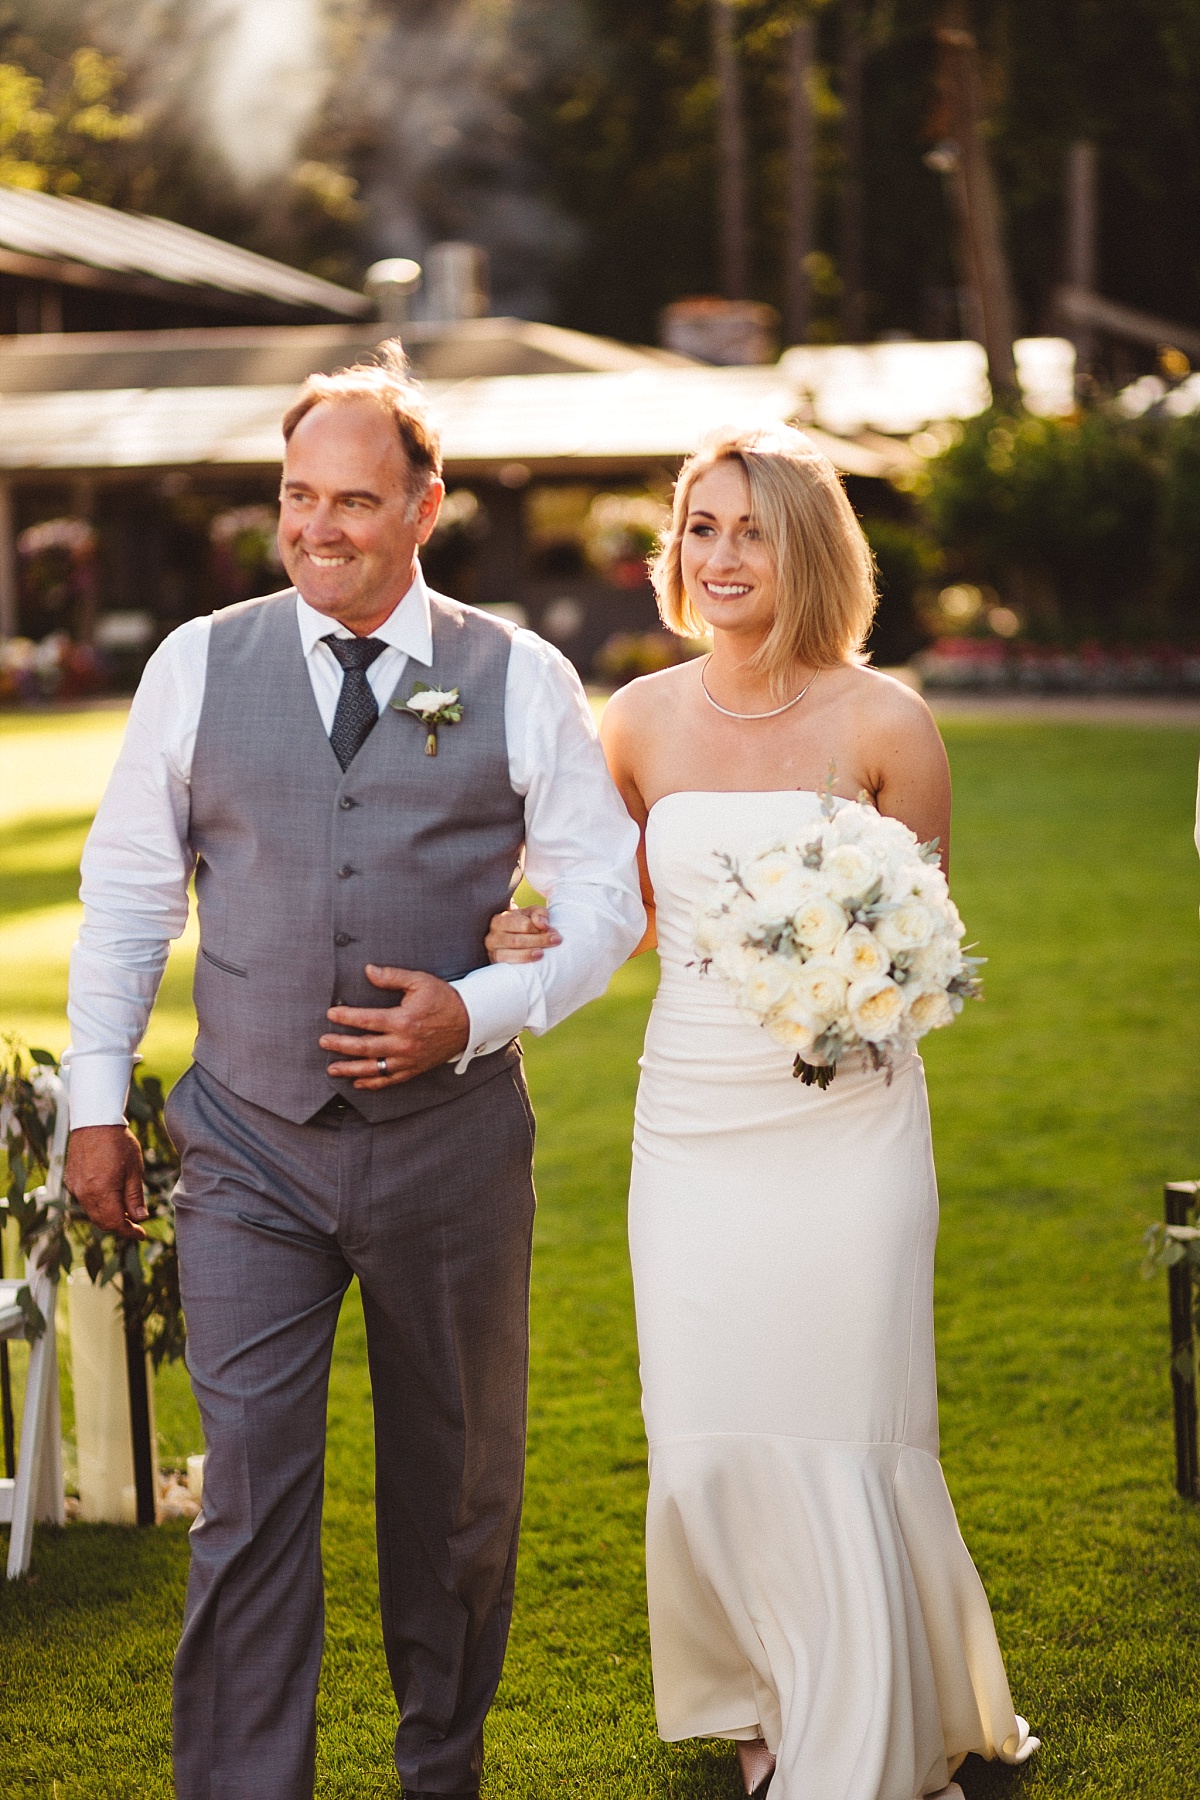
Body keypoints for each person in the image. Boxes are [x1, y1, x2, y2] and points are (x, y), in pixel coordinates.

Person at [62, 347, 644, 1800]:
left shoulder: (518, 676)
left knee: (454, 1501)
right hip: (248, 1144)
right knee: (246, 1500)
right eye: (296, 497)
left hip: (450, 1149)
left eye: (356, 502)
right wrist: (92, 1103)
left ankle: (436, 1774)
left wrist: (484, 1006)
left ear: (425, 507)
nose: (319, 528)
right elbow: (132, 894)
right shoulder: (199, 659)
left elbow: (608, 894)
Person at [486, 427, 1039, 1800]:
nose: (720, 556)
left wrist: (858, 980)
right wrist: (527, 941)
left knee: (848, 1414)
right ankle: (756, 1705)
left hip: (848, 1126)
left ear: (810, 552)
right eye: (701, 529)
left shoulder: (885, 722)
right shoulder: (638, 720)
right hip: (692, 1127)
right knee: (704, 1424)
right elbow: (617, 922)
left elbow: (926, 945)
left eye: (751, 530)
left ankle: (863, 1724)